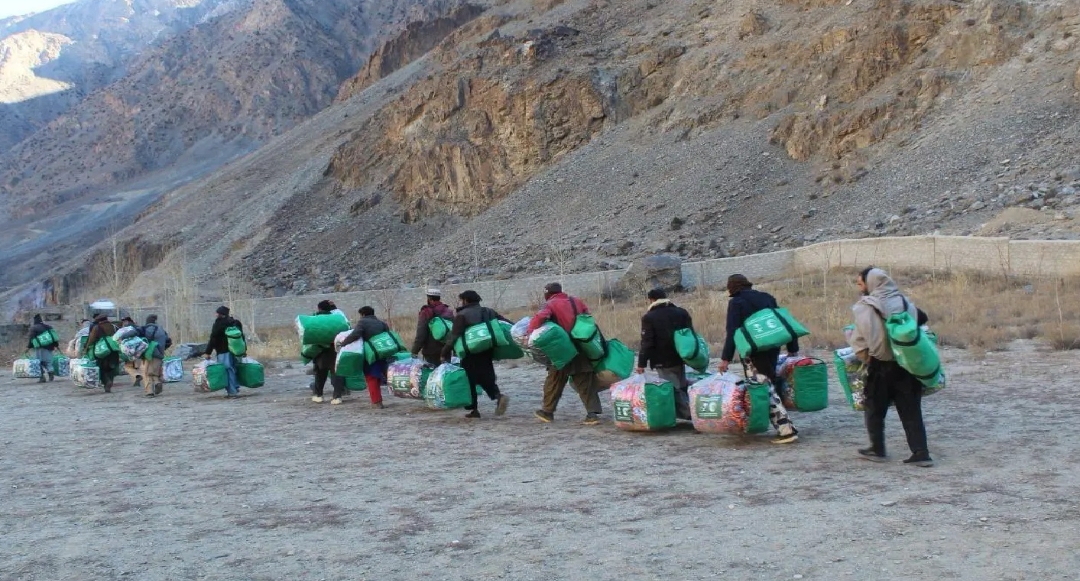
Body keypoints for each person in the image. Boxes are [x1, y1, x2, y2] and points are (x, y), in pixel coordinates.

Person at [850, 267, 933, 467]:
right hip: (907, 363)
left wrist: (866, 357)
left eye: (860, 283)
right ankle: (921, 452)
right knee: (911, 409)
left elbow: (862, 339)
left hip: (881, 365)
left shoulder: (865, 307)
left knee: (874, 407)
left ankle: (877, 448)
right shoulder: (904, 302)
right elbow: (921, 320)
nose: (859, 287)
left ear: (870, 285)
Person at [718, 274, 799, 444]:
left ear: (732, 287)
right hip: (772, 348)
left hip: (752, 353)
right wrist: (792, 348)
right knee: (768, 383)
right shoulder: (767, 298)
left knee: (764, 388)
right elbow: (782, 322)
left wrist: (725, 358)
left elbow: (732, 332)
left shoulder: (736, 303)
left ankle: (786, 430)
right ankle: (782, 425)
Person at [526, 282, 602, 425]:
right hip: (581, 345)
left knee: (554, 380)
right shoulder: (576, 301)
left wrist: (529, 333)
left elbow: (539, 318)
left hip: (561, 349)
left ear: (547, 293)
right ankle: (592, 414)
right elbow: (587, 316)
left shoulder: (550, 304)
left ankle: (547, 412)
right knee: (585, 381)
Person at [440, 290, 510, 419]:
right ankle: (497, 396)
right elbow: (504, 323)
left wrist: (445, 352)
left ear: (466, 300)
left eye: (461, 300)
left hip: (470, 352)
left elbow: (454, 336)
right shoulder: (488, 311)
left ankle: (474, 409)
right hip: (487, 349)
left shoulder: (462, 315)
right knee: (486, 375)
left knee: (470, 380)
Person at [633, 288, 693, 420]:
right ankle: (692, 410)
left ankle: (691, 414)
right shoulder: (681, 312)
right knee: (681, 384)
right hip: (682, 356)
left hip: (662, 358)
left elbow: (647, 342)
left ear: (651, 300)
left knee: (672, 388)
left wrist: (641, 363)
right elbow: (690, 334)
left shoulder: (649, 317)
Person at [339, 306, 393, 409]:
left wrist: (344, 343)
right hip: (382, 353)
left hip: (370, 354)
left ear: (363, 314)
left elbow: (355, 335)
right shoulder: (381, 323)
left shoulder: (363, 322)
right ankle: (379, 400)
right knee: (378, 377)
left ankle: (376, 402)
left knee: (371, 377)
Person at [308, 300, 347, 405]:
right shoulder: (337, 319)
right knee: (336, 373)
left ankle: (318, 395)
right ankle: (337, 397)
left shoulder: (314, 319)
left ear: (319, 308)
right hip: (334, 350)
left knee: (320, 374)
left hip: (321, 351)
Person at [203, 306, 243, 398]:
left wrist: (208, 352)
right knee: (232, 369)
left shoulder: (219, 324)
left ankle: (232, 392)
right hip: (234, 351)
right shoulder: (233, 322)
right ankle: (235, 388)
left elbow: (213, 338)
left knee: (227, 370)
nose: (215, 314)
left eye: (217, 313)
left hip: (223, 351)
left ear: (221, 314)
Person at [410, 288, 455, 366]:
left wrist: (414, 351)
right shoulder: (448, 311)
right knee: (446, 374)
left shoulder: (425, 312)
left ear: (429, 299)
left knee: (433, 376)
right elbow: (454, 331)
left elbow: (421, 334)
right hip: (446, 350)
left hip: (431, 351)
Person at [84, 313, 120, 393]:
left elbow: (91, 339)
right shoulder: (114, 327)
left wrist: (86, 348)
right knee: (112, 367)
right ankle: (110, 381)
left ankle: (106, 382)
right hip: (113, 349)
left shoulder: (97, 327)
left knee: (102, 368)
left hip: (101, 350)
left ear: (99, 321)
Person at [140, 315, 172, 398]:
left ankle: (149, 391)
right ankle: (157, 382)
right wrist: (161, 349)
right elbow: (168, 341)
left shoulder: (148, 329)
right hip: (159, 354)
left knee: (147, 373)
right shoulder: (161, 330)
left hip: (149, 353)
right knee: (155, 372)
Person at [27, 314, 58, 383]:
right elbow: (54, 337)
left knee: (38, 362)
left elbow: (31, 338)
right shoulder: (48, 327)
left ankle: (42, 378)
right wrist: (56, 345)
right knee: (48, 362)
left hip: (39, 348)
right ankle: (51, 373)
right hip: (49, 347)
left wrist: (28, 347)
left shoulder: (34, 328)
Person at [118, 316, 144, 389]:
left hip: (130, 351)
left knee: (128, 366)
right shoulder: (138, 327)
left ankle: (137, 376)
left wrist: (122, 338)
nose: (123, 323)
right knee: (136, 366)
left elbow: (132, 333)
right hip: (138, 350)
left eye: (124, 321)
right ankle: (136, 380)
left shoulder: (128, 329)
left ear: (127, 321)